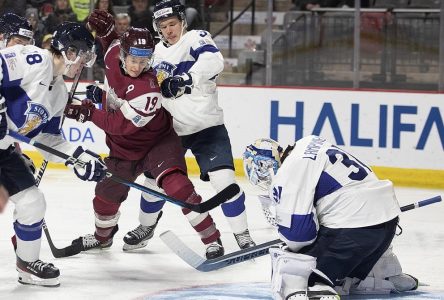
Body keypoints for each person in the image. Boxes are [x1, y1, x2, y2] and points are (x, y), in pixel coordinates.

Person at [64, 10, 225, 259]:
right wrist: (106, 32)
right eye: (134, 60)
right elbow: (112, 46)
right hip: (123, 150)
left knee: (178, 186)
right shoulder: (113, 52)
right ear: (123, 55)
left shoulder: (149, 89)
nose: (139, 66)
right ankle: (102, 238)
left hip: (156, 143)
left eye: (144, 61)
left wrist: (86, 112)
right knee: (105, 195)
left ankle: (212, 238)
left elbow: (119, 125)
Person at [125, 0, 256, 253]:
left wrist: (186, 79)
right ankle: (145, 227)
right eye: (163, 26)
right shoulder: (154, 53)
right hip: (170, 132)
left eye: (173, 24)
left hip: (207, 128)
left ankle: (242, 234)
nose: (169, 30)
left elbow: (213, 61)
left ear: (183, 22)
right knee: (153, 181)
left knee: (224, 182)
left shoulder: (196, 38)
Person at [243, 136, 419, 300]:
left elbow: (299, 236)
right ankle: (384, 273)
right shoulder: (309, 142)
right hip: (386, 226)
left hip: (354, 231)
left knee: (296, 275)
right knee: (341, 235)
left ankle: (319, 288)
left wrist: (289, 243)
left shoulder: (289, 171)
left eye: (259, 171)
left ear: (265, 164)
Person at [0, 21, 106, 287]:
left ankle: (27, 265)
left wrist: (80, 158)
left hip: (2, 153)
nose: (85, 63)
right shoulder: (33, 58)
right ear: (69, 51)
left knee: (32, 202)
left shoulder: (58, 92)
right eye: (83, 55)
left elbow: (49, 138)